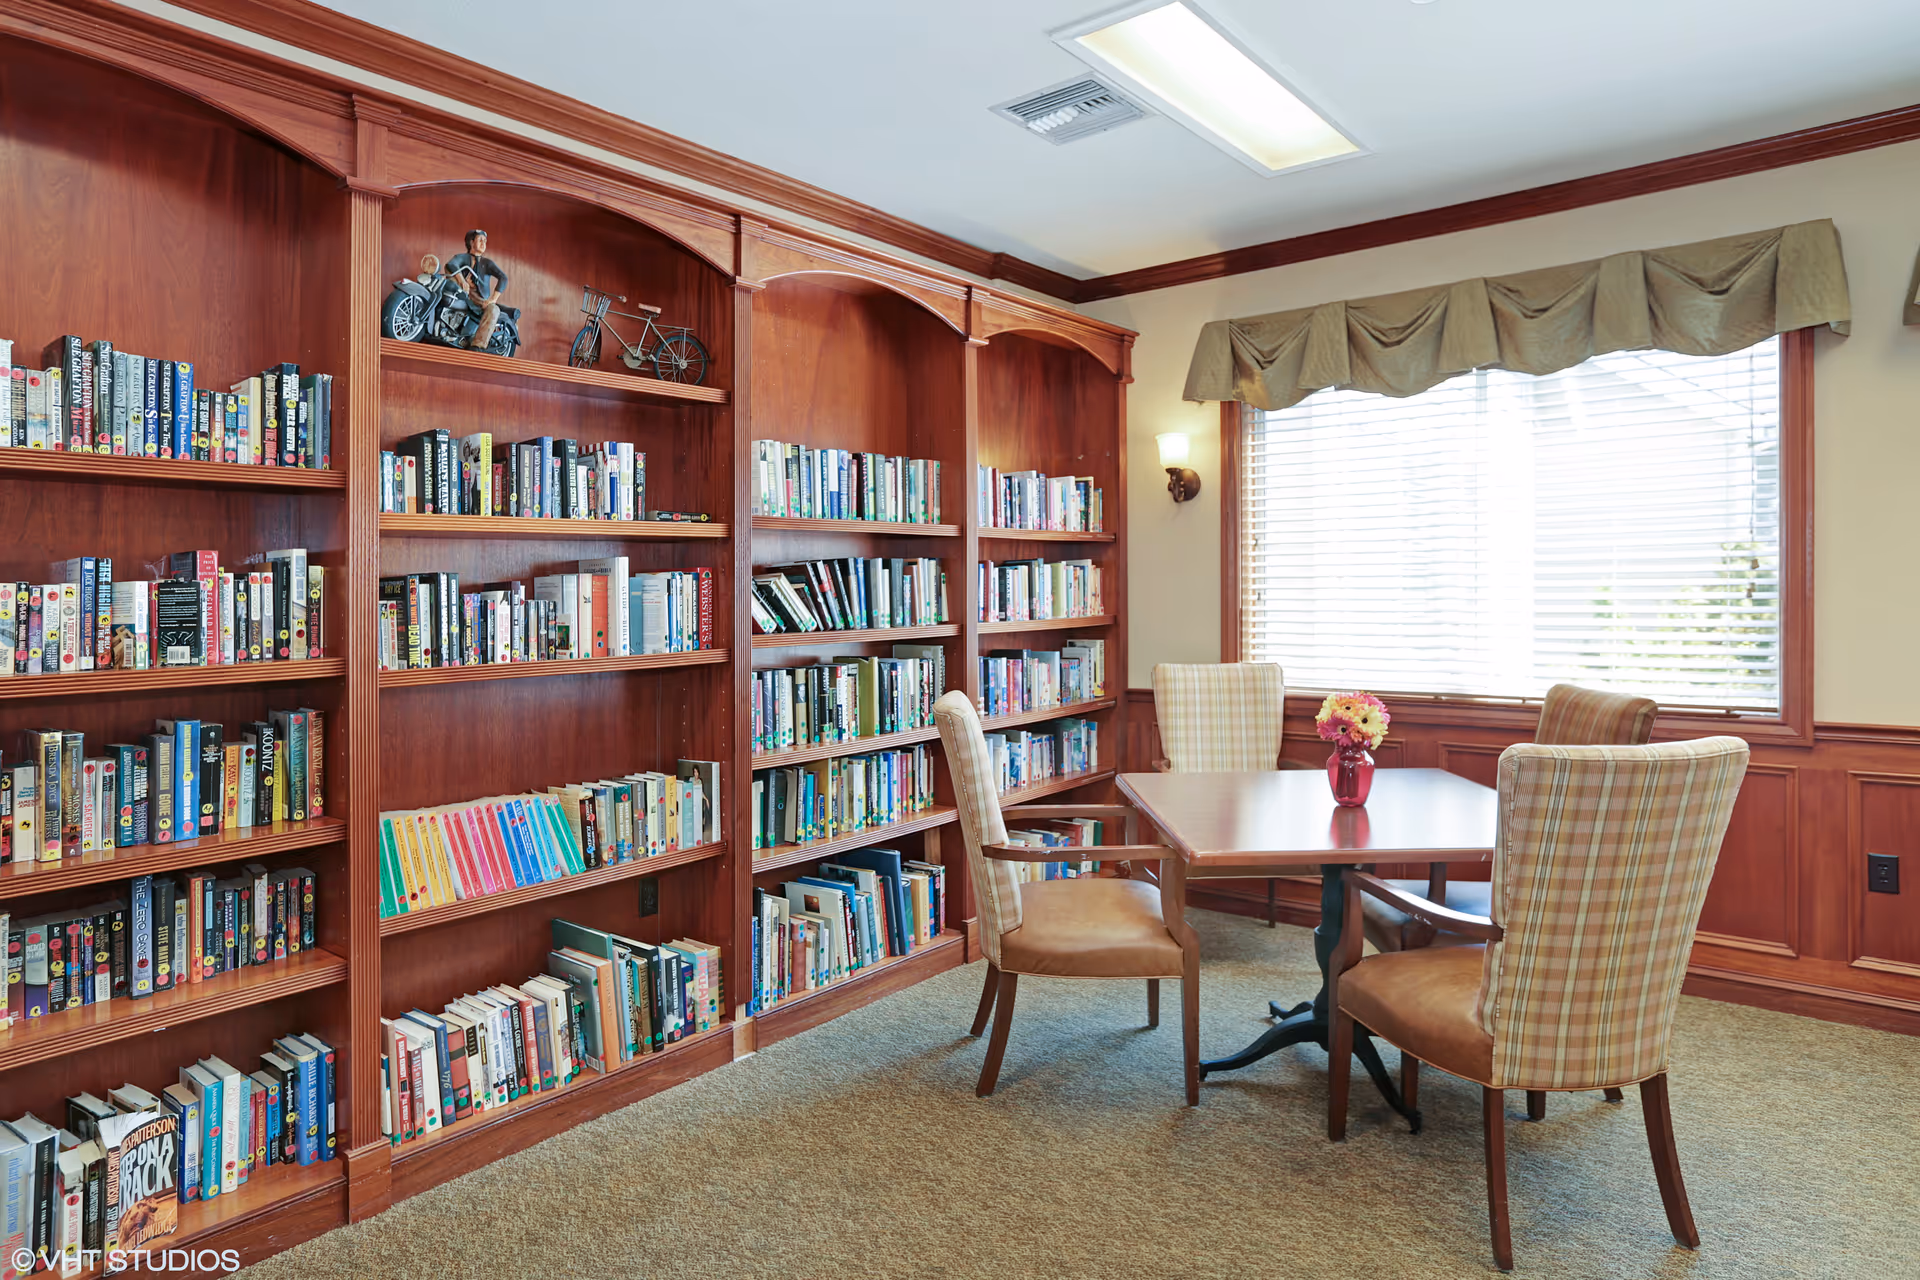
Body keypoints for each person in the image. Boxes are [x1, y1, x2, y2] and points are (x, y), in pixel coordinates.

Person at [445, 229, 508, 351]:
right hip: (462, 294)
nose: (483, 243)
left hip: (480, 300)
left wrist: (492, 300)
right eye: (480, 240)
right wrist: (462, 281)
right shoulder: (463, 257)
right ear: (471, 242)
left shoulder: (487, 263)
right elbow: (451, 265)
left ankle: (478, 345)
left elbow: (503, 278)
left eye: (485, 241)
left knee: (494, 309)